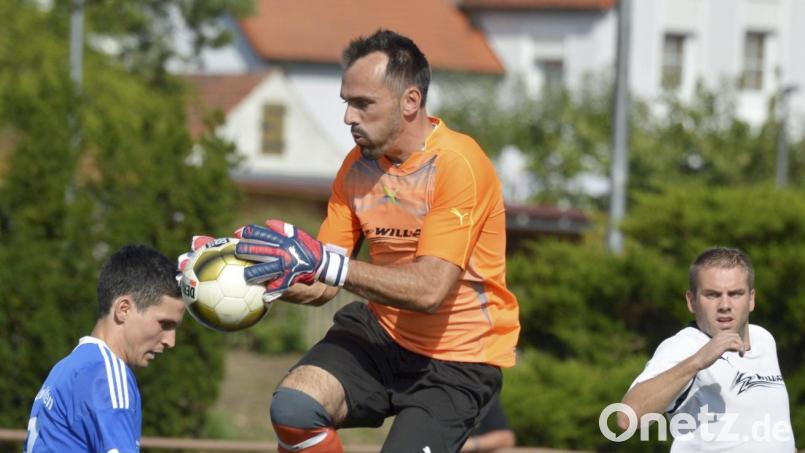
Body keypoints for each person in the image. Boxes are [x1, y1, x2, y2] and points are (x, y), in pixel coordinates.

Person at [231, 29, 520, 453]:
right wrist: (244, 274)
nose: (349, 117)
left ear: (410, 102)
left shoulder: (459, 165)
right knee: (293, 408)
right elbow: (322, 281)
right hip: (382, 335)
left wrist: (327, 265)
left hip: (460, 359)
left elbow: (429, 290)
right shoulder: (356, 168)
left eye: (363, 103)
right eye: (347, 102)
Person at [619, 247, 795, 452]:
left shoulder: (764, 339)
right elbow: (626, 418)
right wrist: (697, 361)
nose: (725, 305)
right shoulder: (684, 346)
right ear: (692, 301)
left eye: (736, 294)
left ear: (751, 299)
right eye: (712, 295)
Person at [23, 244, 185, 453]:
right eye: (164, 324)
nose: (170, 341)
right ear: (123, 309)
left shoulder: (68, 367)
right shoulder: (106, 375)